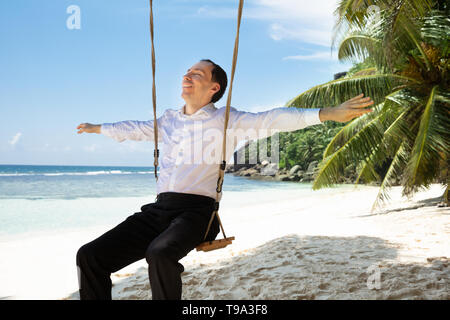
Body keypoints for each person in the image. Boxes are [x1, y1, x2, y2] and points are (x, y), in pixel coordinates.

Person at [75, 59, 374, 300]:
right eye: (187, 71)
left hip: (197, 213)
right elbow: (134, 128)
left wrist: (325, 113)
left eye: (197, 73)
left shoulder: (227, 120)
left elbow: (273, 118)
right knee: (89, 256)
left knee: (159, 253)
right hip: (157, 211)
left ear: (213, 87)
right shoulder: (168, 120)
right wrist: (97, 128)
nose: (187, 75)